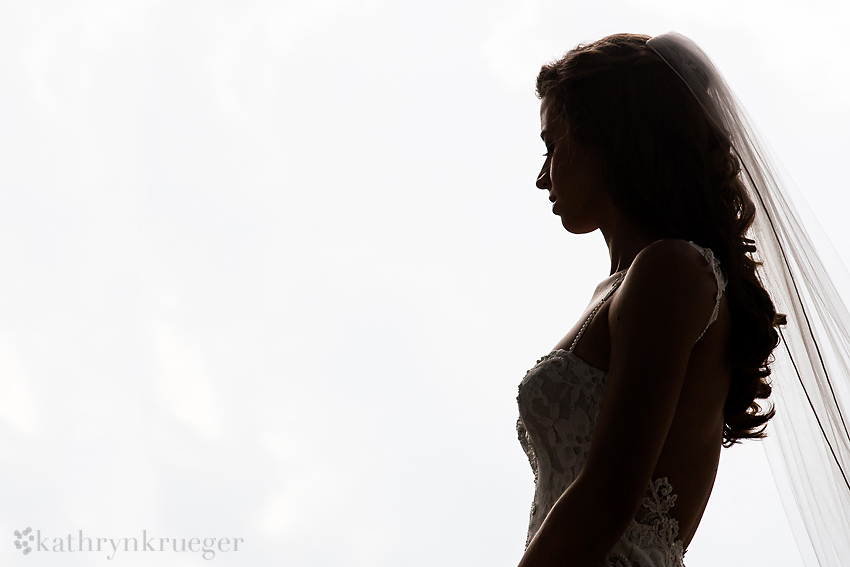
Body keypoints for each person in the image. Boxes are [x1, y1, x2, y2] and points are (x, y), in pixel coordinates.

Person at [515, 32, 850, 567]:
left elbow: (607, 495)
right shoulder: (629, 284)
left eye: (553, 146)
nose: (541, 177)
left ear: (609, 136)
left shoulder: (669, 271)